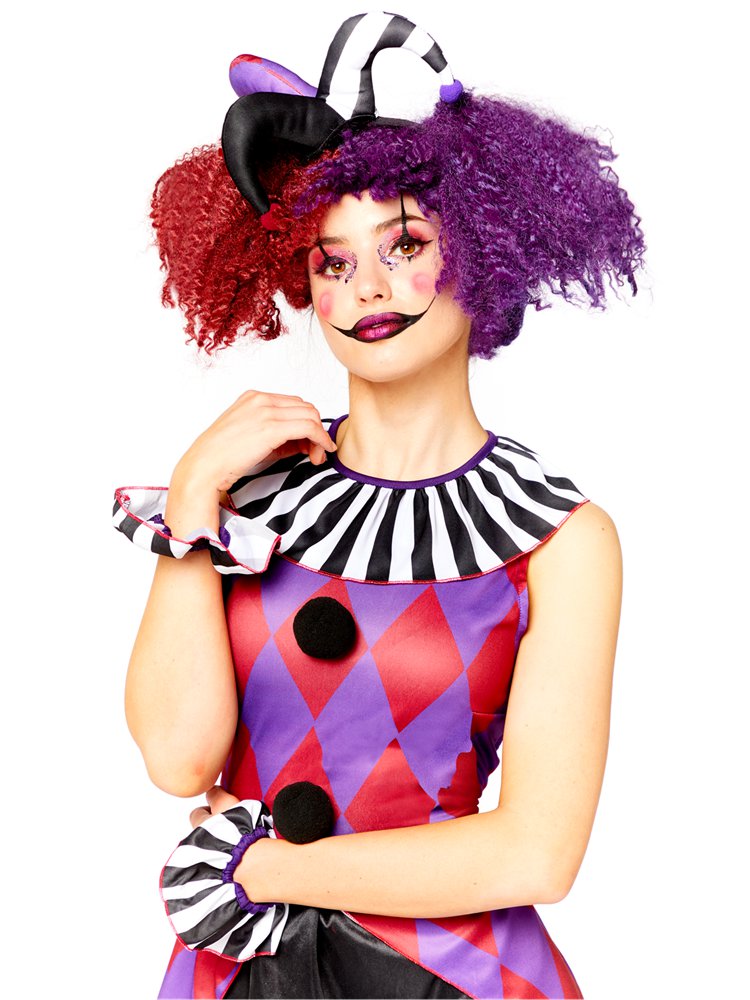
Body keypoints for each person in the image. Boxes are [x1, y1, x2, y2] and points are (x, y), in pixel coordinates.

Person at [114, 12, 644, 999]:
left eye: (404, 245)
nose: (368, 287)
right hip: (239, 976)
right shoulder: (244, 491)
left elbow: (537, 853)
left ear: (481, 251)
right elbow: (180, 760)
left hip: (453, 977)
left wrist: (269, 873)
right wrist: (191, 503)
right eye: (333, 261)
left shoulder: (561, 539)